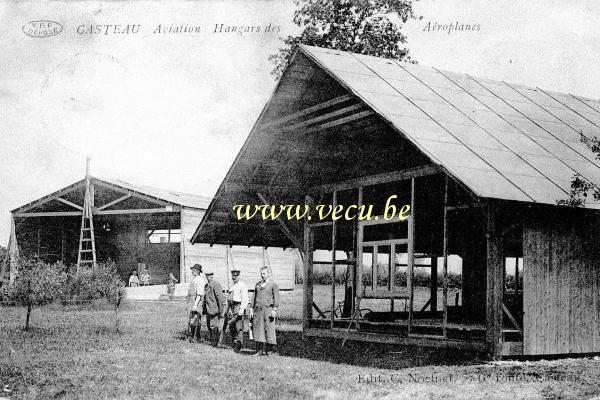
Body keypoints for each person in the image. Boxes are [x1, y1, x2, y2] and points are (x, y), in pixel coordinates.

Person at [252, 266, 280, 356]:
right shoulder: (257, 285)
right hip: (258, 311)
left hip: (268, 311)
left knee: (269, 329)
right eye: (261, 273)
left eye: (264, 273)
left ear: (269, 274)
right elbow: (254, 297)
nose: (262, 275)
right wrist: (252, 309)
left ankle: (269, 351)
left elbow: (276, 298)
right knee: (258, 330)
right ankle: (259, 351)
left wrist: (274, 310)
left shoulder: (273, 284)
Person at [226, 269, 249, 352]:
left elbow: (245, 299)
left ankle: (239, 346)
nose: (234, 277)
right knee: (232, 327)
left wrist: (241, 310)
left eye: (235, 276)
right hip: (232, 308)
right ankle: (235, 344)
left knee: (238, 327)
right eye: (233, 276)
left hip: (238, 307)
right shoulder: (232, 286)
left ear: (239, 276)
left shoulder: (242, 285)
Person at [202, 271, 225, 347]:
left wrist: (221, 311)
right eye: (207, 276)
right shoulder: (206, 286)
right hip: (208, 310)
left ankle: (215, 343)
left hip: (214, 310)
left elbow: (220, 298)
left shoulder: (216, 285)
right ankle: (213, 341)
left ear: (213, 276)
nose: (209, 277)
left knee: (214, 326)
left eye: (211, 276)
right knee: (209, 326)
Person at [187, 264, 207, 341]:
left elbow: (199, 293)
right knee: (191, 318)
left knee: (195, 319)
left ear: (198, 271)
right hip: (191, 300)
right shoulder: (194, 279)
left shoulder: (200, 280)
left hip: (196, 301)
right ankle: (193, 335)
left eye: (194, 270)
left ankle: (196, 336)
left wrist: (195, 305)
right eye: (192, 270)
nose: (193, 271)